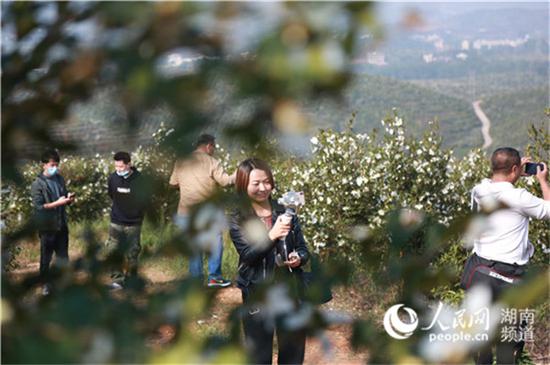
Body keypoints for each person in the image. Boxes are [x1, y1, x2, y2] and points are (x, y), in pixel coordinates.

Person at [461, 147, 550, 365]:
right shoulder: (519, 197)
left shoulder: (478, 190)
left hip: (480, 273)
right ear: (513, 168)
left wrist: (515, 172)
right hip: (511, 279)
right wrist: (542, 180)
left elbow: (502, 192)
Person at [229, 158, 310, 364]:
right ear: (243, 185)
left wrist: (298, 258)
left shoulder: (285, 211)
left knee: (293, 352)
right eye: (255, 183)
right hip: (257, 291)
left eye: (266, 182)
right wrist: (271, 235)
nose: (263, 188)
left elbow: (302, 248)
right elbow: (248, 255)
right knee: (259, 355)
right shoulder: (239, 218)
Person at [169, 134, 235, 287]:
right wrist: (237, 175)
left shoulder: (181, 160)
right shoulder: (212, 161)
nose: (214, 150)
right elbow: (225, 182)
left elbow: (172, 183)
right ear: (208, 146)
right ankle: (214, 277)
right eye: (214, 147)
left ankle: (195, 281)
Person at [31, 149, 75, 295]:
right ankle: (45, 285)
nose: (54, 167)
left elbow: (63, 196)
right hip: (47, 228)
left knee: (63, 257)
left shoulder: (59, 179)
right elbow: (39, 207)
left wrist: (68, 199)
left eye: (56, 165)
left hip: (61, 224)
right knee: (46, 259)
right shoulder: (38, 184)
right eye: (51, 164)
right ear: (43, 165)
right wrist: (57, 203)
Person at [106, 151, 151, 290]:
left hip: (133, 222)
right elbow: (111, 194)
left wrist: (137, 213)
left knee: (132, 252)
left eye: (121, 167)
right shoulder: (113, 178)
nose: (118, 170)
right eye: (116, 167)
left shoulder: (139, 179)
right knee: (113, 251)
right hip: (116, 221)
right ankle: (117, 280)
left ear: (129, 164)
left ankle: (132, 280)